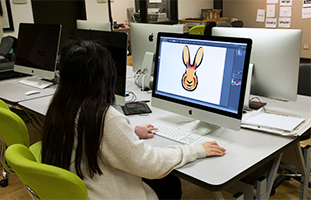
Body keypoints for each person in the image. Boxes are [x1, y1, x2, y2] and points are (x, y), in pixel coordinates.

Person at [41, 40, 226, 200]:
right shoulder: (103, 117)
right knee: (170, 183)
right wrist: (196, 149)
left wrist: (130, 134)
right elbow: (150, 164)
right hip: (105, 194)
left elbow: (97, 141)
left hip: (82, 191)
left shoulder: (60, 106)